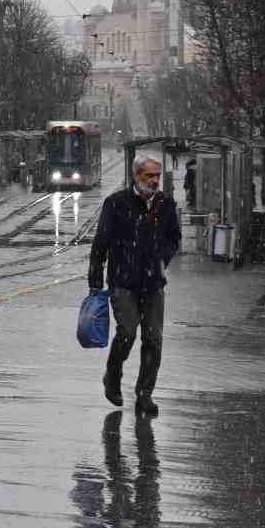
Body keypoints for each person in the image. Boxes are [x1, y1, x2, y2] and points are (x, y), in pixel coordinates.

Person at [88, 157, 183, 416]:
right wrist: (95, 282)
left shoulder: (165, 205)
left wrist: (162, 258)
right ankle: (113, 375)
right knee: (127, 332)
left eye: (157, 176)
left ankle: (144, 394)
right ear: (136, 176)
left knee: (153, 339)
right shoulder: (116, 204)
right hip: (123, 282)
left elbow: (174, 237)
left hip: (153, 284)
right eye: (149, 175)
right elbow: (100, 244)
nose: (154, 180)